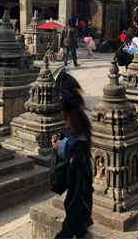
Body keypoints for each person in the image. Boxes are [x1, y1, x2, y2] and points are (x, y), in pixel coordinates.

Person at [50, 71, 93, 239]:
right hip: (81, 172)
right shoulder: (80, 119)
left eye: (65, 119)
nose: (65, 121)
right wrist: (61, 139)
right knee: (78, 213)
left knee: (74, 213)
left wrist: (59, 146)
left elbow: (76, 144)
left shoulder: (76, 122)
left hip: (78, 170)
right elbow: (72, 136)